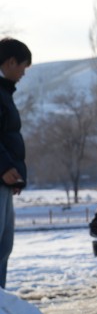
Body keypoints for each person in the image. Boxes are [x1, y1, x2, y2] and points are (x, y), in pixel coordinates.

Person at [0, 38, 30, 289]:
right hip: (1, 176)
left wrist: (16, 174)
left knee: (4, 244)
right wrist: (5, 168)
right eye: (23, 66)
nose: (23, 73)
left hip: (5, 180)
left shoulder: (4, 93)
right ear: (10, 62)